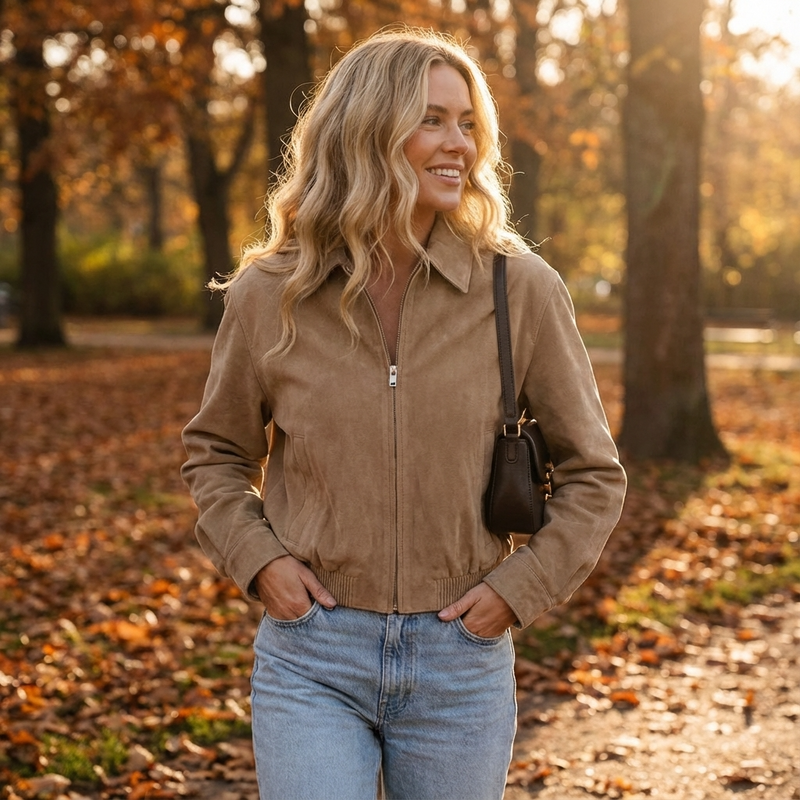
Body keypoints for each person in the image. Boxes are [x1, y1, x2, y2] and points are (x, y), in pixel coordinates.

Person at [181, 26, 626, 800]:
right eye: (431, 120)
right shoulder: (270, 293)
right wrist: (259, 563)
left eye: (467, 124)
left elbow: (594, 474)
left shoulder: (519, 290)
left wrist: (518, 591)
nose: (458, 143)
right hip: (312, 653)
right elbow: (215, 451)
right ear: (365, 132)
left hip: (460, 657)